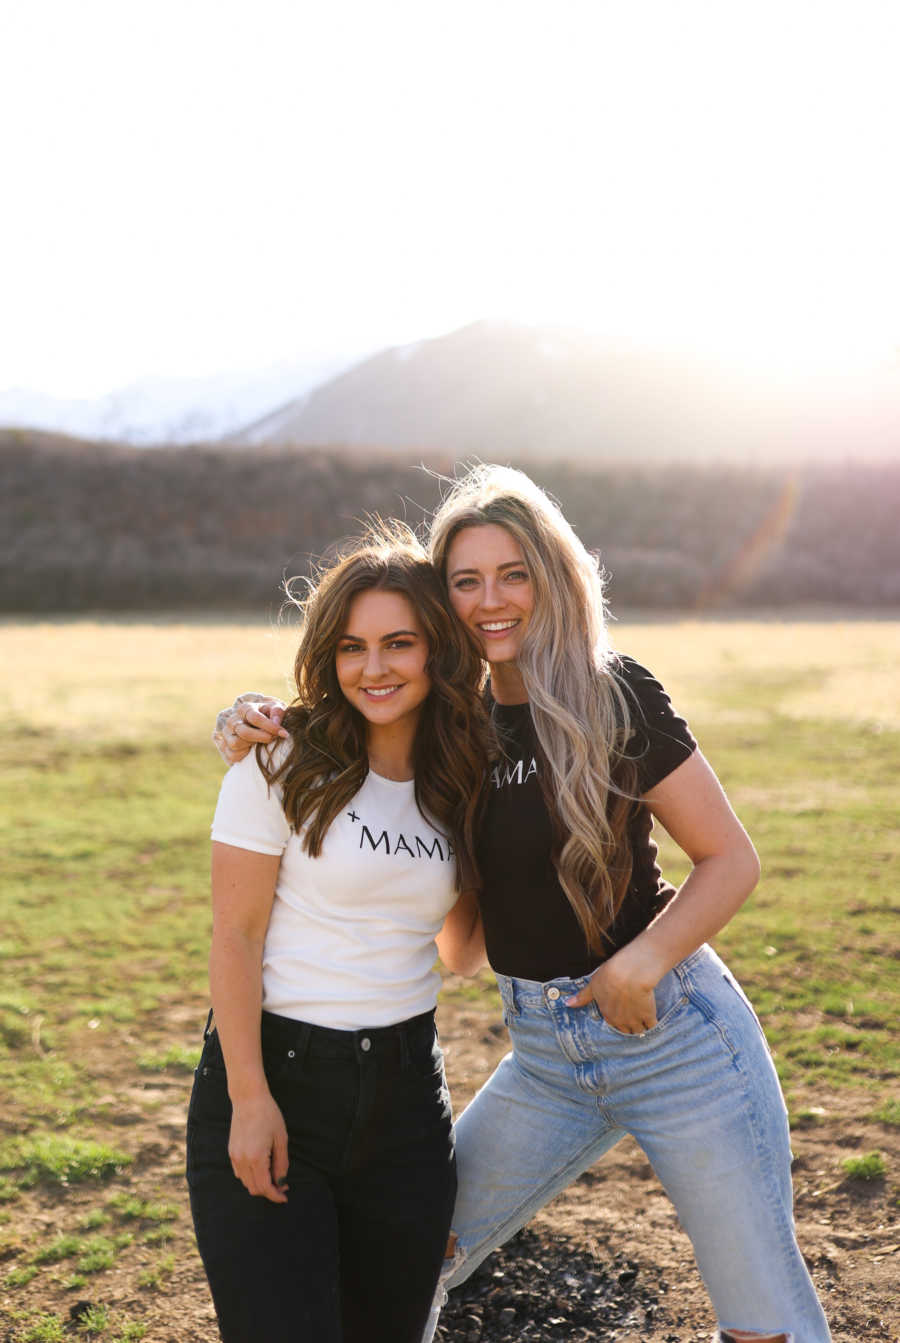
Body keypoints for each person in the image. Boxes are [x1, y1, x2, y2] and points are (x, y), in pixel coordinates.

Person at [217, 467, 832, 1343]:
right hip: (544, 1058)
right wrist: (254, 719)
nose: (491, 600)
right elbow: (455, 934)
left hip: (676, 1039)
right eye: (465, 581)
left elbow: (730, 858)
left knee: (759, 1319)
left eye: (514, 574)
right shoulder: (453, 723)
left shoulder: (616, 691)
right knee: (407, 1255)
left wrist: (643, 960)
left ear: (554, 574)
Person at [187, 524, 492, 1343]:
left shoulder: (460, 777)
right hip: (278, 1077)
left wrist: (521, 851)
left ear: (438, 650)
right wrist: (249, 1100)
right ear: (329, 654)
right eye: (353, 647)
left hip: (407, 1102)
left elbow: (460, 953)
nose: (375, 667)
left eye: (400, 642)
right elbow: (235, 937)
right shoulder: (277, 757)